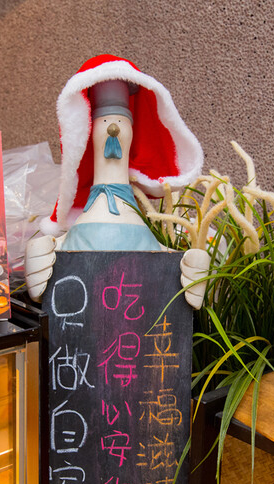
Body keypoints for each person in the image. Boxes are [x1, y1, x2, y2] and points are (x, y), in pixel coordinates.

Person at [25, 54, 209, 307]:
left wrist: (190, 267)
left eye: (120, 122)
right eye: (105, 122)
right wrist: (41, 256)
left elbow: (163, 269)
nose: (113, 128)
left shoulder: (136, 230)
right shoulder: (79, 231)